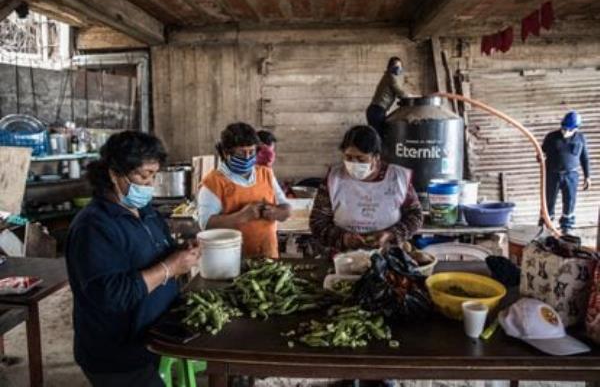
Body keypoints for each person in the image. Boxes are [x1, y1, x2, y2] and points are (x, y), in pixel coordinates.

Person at [65, 131, 200, 387]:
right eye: (143, 175)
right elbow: (111, 295)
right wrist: (170, 267)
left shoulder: (145, 212)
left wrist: (182, 253)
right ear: (114, 174)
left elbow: (159, 252)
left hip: (149, 338)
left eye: (154, 175)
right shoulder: (94, 227)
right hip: (117, 354)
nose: (150, 185)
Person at [309, 125, 423, 252]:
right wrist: (344, 238)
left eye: (361, 158)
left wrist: (390, 234)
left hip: (390, 254)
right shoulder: (334, 179)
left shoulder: (397, 178)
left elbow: (415, 216)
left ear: (376, 157)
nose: (354, 163)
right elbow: (317, 222)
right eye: (348, 157)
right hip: (344, 258)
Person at [197, 122, 291, 258]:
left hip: (268, 255)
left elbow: (285, 207)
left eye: (251, 152)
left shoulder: (266, 174)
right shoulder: (213, 183)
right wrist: (242, 216)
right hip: (231, 259)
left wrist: (278, 212)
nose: (247, 158)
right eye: (241, 153)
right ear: (226, 152)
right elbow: (206, 224)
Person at [542, 110, 591, 233]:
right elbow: (541, 153)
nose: (565, 132)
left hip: (571, 175)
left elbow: (584, 158)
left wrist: (587, 176)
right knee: (549, 200)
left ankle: (567, 226)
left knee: (570, 200)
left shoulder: (580, 138)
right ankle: (545, 225)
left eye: (569, 129)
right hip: (552, 174)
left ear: (576, 128)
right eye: (564, 128)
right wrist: (540, 157)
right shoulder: (551, 137)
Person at [366, 56, 408, 138]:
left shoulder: (388, 76)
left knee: (378, 137)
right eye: (396, 66)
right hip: (377, 111)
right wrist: (412, 96)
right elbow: (400, 93)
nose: (398, 68)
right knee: (379, 138)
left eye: (400, 66)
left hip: (376, 110)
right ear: (390, 67)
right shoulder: (390, 77)